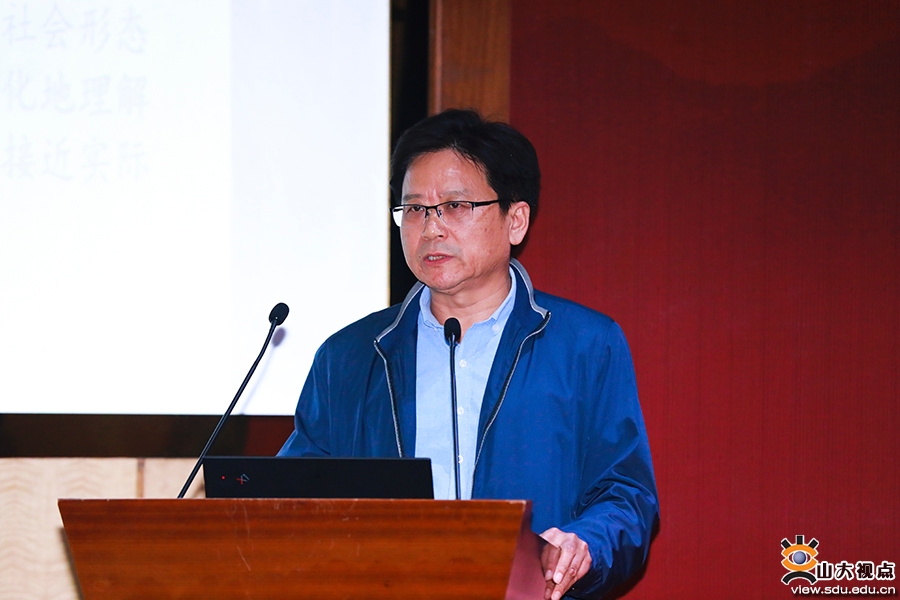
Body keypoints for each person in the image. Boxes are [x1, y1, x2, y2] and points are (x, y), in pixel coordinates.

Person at [279, 109, 659, 599]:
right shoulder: (350, 356)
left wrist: (584, 543)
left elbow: (626, 496)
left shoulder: (585, 344)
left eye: (455, 206)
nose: (431, 229)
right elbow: (296, 497)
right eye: (414, 209)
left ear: (515, 220)